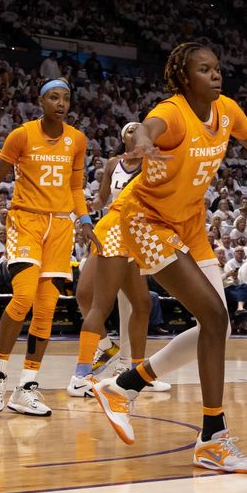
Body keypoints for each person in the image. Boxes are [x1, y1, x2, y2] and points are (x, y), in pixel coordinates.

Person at [91, 42, 247, 474]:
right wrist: (144, 140)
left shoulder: (228, 111)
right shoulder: (174, 112)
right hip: (146, 221)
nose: (215, 75)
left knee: (215, 323)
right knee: (216, 318)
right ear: (186, 78)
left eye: (217, 68)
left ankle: (124, 386)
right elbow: (152, 125)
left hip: (190, 221)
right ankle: (212, 437)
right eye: (205, 70)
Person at [0, 78, 100, 416]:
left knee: (46, 308)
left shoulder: (77, 139)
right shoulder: (22, 135)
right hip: (26, 220)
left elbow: (76, 187)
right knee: (23, 297)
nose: (61, 103)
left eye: (66, 98)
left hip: (60, 226)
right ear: (41, 101)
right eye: (53, 97)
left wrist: (86, 220)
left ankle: (27, 387)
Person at [67, 123, 170, 398]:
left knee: (141, 304)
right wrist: (82, 210)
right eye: (129, 129)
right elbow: (102, 199)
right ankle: (84, 371)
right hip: (113, 229)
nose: (135, 131)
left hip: (135, 232)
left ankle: (136, 373)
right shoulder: (114, 164)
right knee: (87, 297)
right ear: (123, 137)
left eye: (140, 128)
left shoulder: (151, 162)